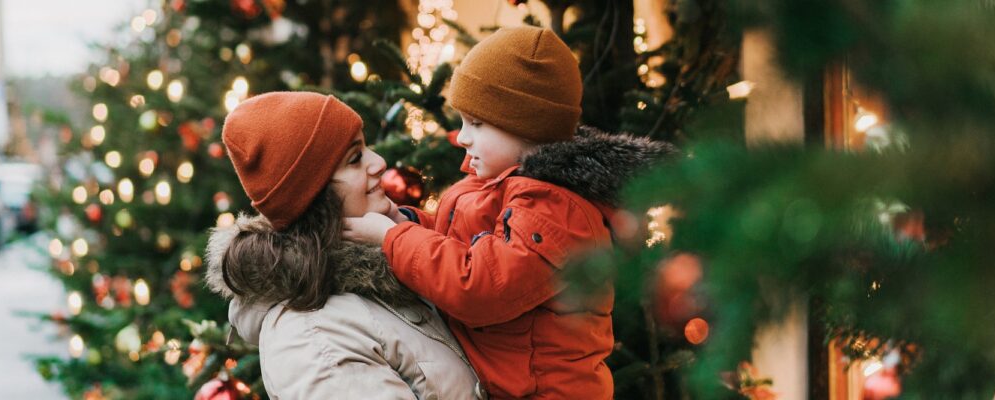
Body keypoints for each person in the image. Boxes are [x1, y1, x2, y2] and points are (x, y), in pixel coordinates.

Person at [343, 26, 674, 399]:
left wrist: (393, 239)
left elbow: (482, 285)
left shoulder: (555, 208)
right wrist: (409, 223)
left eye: (477, 124)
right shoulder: (501, 184)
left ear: (527, 127)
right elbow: (468, 241)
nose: (463, 137)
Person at [204, 91, 482, 399]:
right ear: (313, 196)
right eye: (355, 158)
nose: (379, 162)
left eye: (366, 146)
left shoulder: (392, 267)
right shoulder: (313, 340)